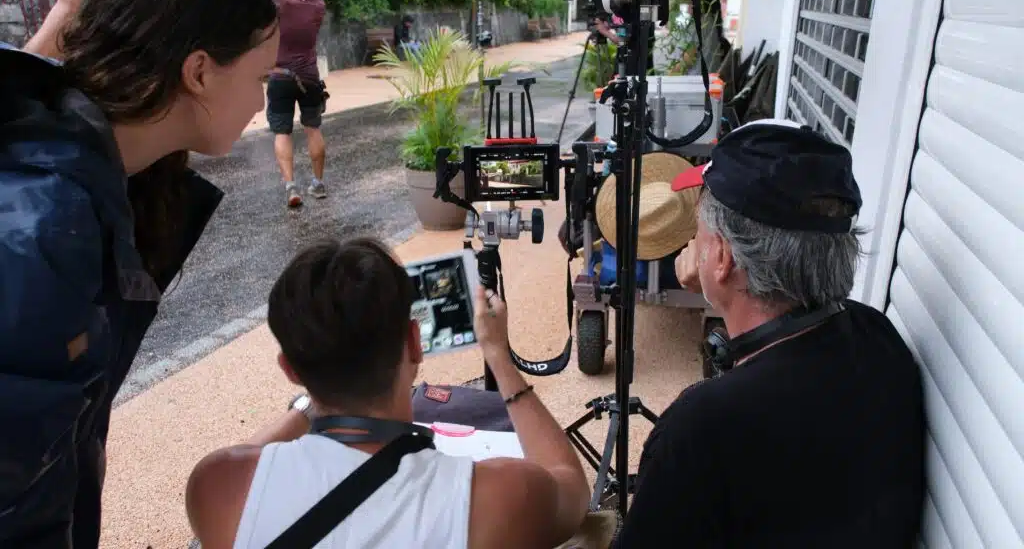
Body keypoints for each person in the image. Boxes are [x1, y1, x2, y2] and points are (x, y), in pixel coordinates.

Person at [0, 0, 279, 547]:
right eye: (261, 78)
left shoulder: (100, 179)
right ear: (199, 71)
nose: (262, 99)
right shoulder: (45, 232)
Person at [615, 119, 926, 547]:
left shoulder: (701, 428)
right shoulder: (874, 335)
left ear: (722, 256)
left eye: (699, 232)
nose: (692, 241)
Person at [185, 237, 591, 548]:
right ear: (415, 344)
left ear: (290, 370)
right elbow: (572, 489)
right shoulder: (500, 495)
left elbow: (247, 458)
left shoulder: (217, 486)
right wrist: (500, 358)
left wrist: (310, 403)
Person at [262, 0, 328, 208]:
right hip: (309, 78)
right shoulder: (319, 6)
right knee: (313, 128)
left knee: (282, 132)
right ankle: (318, 184)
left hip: (280, 76)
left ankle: (291, 188)